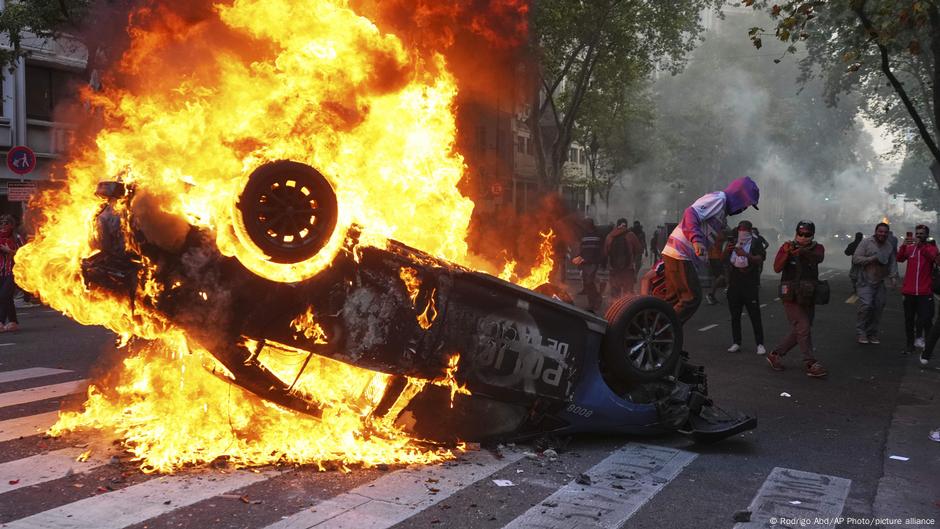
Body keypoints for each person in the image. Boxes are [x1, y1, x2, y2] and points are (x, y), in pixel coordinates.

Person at [661, 176, 760, 323]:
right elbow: (690, 214)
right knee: (691, 298)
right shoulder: (719, 200)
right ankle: (665, 330)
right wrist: (697, 240)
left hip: (680, 254)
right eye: (745, 204)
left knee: (674, 300)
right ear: (738, 196)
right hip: (681, 252)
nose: (743, 209)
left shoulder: (722, 213)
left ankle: (664, 341)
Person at [766, 221, 827, 377]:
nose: (803, 237)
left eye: (807, 235)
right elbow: (777, 268)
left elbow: (818, 258)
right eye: (800, 234)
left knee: (800, 330)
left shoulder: (817, 248)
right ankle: (810, 362)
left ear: (812, 235)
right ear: (796, 233)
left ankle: (775, 354)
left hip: (808, 294)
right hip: (790, 295)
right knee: (803, 327)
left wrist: (803, 252)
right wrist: (787, 253)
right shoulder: (787, 247)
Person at [852, 222, 899, 344]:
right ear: (876, 231)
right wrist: (870, 259)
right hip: (865, 280)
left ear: (887, 233)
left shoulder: (889, 246)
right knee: (866, 306)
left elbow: (893, 262)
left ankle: (872, 333)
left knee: (878, 307)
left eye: (885, 232)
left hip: (880, 282)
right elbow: (856, 258)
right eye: (880, 231)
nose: (882, 234)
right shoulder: (866, 242)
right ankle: (861, 332)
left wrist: (893, 277)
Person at [724, 220, 766, 354]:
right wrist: (728, 250)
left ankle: (760, 344)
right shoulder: (734, 242)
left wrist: (746, 255)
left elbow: (760, 259)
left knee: (754, 315)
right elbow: (723, 259)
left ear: (750, 230)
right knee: (735, 315)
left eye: (745, 230)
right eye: (740, 230)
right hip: (735, 283)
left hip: (750, 284)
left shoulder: (756, 242)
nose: (742, 232)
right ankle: (736, 342)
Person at [897, 225, 938, 356]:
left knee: (926, 319)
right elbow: (900, 258)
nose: (919, 235)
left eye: (922, 233)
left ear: (926, 235)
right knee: (909, 320)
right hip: (909, 291)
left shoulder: (931, 248)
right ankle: (910, 345)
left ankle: (927, 346)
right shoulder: (910, 248)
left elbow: (934, 259)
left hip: (925, 292)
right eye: (917, 233)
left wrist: (922, 246)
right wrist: (903, 245)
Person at [572, 218, 603, 312]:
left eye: (587, 224)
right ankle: (592, 302)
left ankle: (595, 300)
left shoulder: (598, 235)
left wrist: (600, 261)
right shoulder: (584, 236)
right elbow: (582, 250)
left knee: (589, 282)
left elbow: (600, 250)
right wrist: (578, 258)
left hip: (593, 263)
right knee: (587, 283)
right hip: (585, 263)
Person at [604, 218, 641, 299]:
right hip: (628, 269)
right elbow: (639, 249)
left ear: (617, 225)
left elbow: (606, 253)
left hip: (613, 269)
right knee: (627, 295)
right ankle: (626, 310)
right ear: (626, 225)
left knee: (615, 294)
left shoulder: (610, 236)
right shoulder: (631, 235)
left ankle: (615, 309)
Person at [0, 214, 22, 333]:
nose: (3, 225)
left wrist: (10, 251)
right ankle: (13, 322)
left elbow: (25, 254)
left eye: (6, 223)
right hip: (0, 272)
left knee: (3, 296)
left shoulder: (16, 237)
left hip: (13, 272)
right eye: (1, 223)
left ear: (11, 225)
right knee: (7, 298)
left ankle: (1, 322)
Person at [705, 229, 729, 305]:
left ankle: (714, 293)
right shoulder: (719, 234)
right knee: (721, 276)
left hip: (715, 257)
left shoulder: (714, 234)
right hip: (716, 258)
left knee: (722, 276)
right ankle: (711, 294)